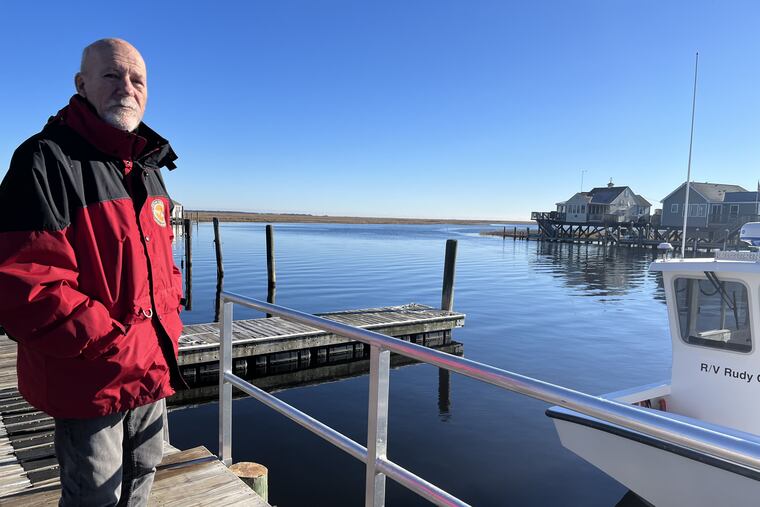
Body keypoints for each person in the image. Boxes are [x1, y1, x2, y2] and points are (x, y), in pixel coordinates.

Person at [0, 38, 185, 506]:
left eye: (137, 79)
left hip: (149, 368)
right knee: (94, 495)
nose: (127, 87)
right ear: (81, 84)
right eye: (112, 75)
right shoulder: (44, 160)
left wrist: (170, 322)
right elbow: (25, 282)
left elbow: (160, 261)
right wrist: (111, 342)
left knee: (144, 474)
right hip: (91, 376)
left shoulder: (148, 166)